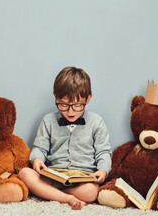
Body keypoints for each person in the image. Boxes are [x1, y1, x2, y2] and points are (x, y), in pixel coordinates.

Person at [18, 66, 112, 210]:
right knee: (24, 174)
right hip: (54, 175)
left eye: (77, 105)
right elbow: (39, 148)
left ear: (88, 99)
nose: (70, 111)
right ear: (55, 97)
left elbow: (103, 152)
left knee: (92, 192)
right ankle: (68, 198)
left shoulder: (96, 121)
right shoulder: (48, 120)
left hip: (82, 178)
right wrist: (37, 159)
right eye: (63, 105)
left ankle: (50, 194)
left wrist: (103, 170)